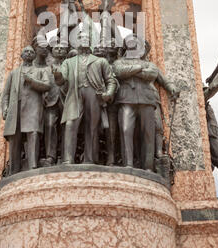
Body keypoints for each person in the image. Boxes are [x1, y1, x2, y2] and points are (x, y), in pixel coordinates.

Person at [113, 34, 179, 171]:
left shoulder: (150, 64)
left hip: (147, 100)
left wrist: (131, 71)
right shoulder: (119, 62)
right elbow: (119, 71)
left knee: (148, 134)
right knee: (126, 130)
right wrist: (139, 69)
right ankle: (128, 164)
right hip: (126, 99)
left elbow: (152, 74)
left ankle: (148, 167)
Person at [53, 32, 117, 164]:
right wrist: (57, 74)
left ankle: (90, 159)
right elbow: (61, 80)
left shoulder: (100, 61)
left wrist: (108, 94)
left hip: (94, 94)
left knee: (92, 127)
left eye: (87, 38)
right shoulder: (68, 62)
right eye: (81, 37)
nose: (84, 40)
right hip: (75, 93)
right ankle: (68, 159)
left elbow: (111, 80)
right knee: (70, 124)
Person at [2, 46, 51, 175]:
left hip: (33, 106)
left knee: (33, 134)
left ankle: (32, 166)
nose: (29, 53)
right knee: (14, 138)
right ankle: (14, 169)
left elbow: (47, 85)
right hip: (16, 107)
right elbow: (6, 94)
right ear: (21, 55)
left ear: (34, 56)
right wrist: (5, 108)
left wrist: (32, 81)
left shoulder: (40, 71)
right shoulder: (14, 73)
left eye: (31, 52)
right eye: (26, 51)